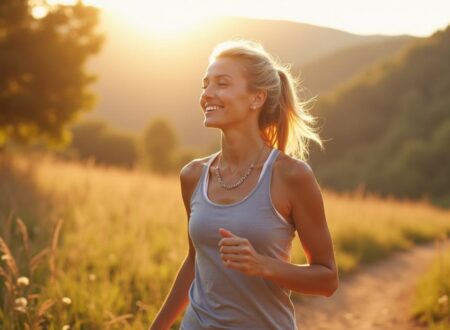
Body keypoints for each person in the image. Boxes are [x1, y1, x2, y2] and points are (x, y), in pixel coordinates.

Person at [150, 39, 338, 330]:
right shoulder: (193, 175)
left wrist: (263, 265)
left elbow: (327, 279)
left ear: (256, 98)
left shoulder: (291, 176)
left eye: (221, 84)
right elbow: (194, 263)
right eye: (205, 85)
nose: (207, 94)